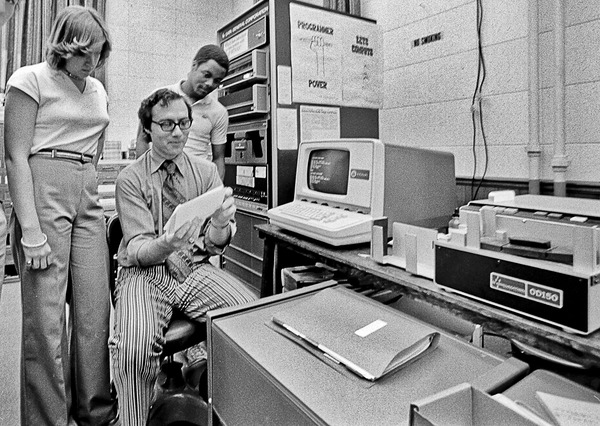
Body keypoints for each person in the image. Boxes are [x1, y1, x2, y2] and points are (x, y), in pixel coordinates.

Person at [110, 88, 256, 425]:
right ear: (148, 128)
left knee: (249, 319)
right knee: (133, 351)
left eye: (183, 123)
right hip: (145, 272)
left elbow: (216, 244)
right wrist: (168, 243)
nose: (177, 132)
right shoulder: (130, 179)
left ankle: (227, 409)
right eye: (166, 125)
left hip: (193, 267)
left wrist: (221, 225)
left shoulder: (205, 173)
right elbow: (140, 250)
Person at [4, 6, 117, 425]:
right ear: (64, 45)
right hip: (43, 181)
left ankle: (94, 413)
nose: (92, 63)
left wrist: (87, 183)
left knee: (93, 311)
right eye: (85, 53)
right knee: (46, 319)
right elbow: (15, 158)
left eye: (100, 53)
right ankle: (47, 419)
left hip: (86, 188)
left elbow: (96, 143)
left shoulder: (98, 90)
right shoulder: (29, 79)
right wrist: (30, 230)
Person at [135, 44, 229, 180]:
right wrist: (144, 180)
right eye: (206, 75)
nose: (210, 83)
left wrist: (215, 191)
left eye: (217, 81)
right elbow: (142, 139)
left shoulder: (218, 112)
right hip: (159, 177)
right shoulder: (160, 97)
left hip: (197, 181)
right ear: (194, 65)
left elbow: (219, 158)